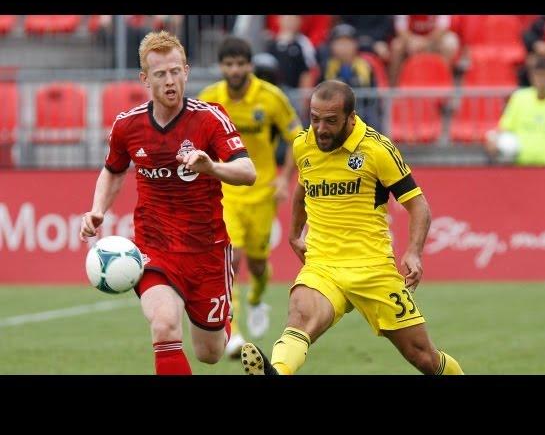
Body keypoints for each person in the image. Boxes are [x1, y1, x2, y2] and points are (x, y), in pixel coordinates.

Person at [240, 80, 464, 375]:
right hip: (323, 265)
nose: (320, 129)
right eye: (315, 118)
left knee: (423, 357)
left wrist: (413, 251)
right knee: (300, 316)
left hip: (372, 269)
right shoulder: (303, 145)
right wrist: (294, 234)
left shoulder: (376, 149)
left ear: (350, 117)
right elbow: (302, 188)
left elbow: (418, 204)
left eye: (330, 121)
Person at [79, 31, 256, 375]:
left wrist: (212, 167)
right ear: (145, 79)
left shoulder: (209, 118)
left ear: (186, 71)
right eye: (160, 74)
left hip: (207, 251)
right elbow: (113, 171)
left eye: (176, 71)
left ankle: (223, 327)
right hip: (154, 248)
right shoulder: (127, 125)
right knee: (164, 326)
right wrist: (98, 209)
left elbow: (248, 172)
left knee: (210, 353)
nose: (170, 80)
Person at [198, 36, 302, 358]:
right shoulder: (210, 98)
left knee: (257, 265)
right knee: (230, 260)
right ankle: (233, 333)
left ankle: (257, 298)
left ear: (249, 65)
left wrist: (285, 180)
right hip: (225, 191)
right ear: (221, 67)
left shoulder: (270, 98)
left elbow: (298, 139)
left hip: (262, 190)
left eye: (240, 64)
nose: (234, 70)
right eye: (228, 64)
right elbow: (196, 141)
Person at [485, 55, 545, 166]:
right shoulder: (519, 98)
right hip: (523, 166)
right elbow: (505, 127)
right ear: (531, 77)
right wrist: (494, 140)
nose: (541, 80)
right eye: (538, 76)